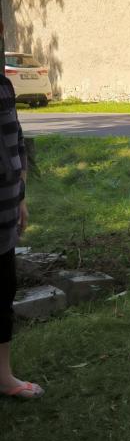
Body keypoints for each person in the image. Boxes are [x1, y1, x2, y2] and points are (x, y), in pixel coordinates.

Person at [0, 73, 40, 399]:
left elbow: (16, 140)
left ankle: (3, 377)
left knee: (3, 293)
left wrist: (21, 197)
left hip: (5, 212)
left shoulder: (4, 86)